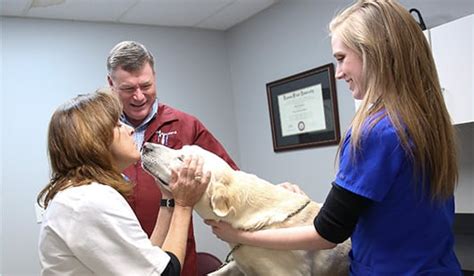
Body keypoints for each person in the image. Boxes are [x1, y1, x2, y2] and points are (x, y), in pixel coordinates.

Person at [206, 0, 462, 274]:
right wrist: (309, 207)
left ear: (372, 52)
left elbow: (327, 234)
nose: (339, 73)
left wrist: (239, 236)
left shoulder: (375, 131)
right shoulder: (426, 121)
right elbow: (385, 212)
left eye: (341, 58)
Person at [37, 90, 210, 275]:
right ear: (95, 141)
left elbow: (146, 263)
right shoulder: (90, 200)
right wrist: (184, 205)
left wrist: (168, 200)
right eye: (118, 125)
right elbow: (165, 274)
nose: (130, 129)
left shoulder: (81, 195)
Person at [106, 40, 239, 275]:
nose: (139, 96)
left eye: (146, 86)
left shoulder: (185, 125)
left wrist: (270, 198)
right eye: (128, 89)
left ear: (155, 77)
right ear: (111, 84)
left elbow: (231, 179)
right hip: (119, 262)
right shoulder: (101, 132)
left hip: (176, 260)